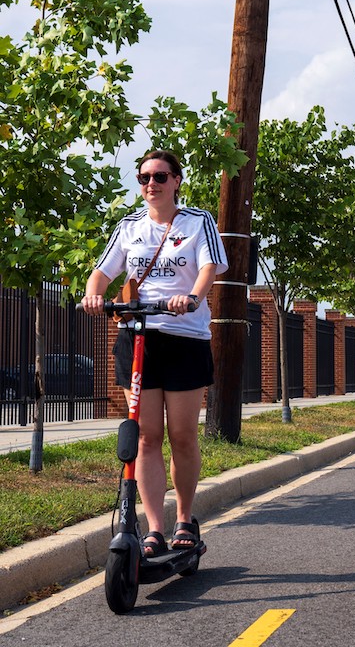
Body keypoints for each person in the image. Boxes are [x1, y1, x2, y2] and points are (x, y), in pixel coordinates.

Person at [81, 150, 227, 557]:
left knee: (181, 434)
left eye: (160, 176)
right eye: (144, 177)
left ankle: (184, 519)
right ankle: (154, 528)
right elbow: (103, 271)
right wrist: (94, 295)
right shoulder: (129, 226)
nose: (151, 184)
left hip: (184, 337)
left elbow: (208, 269)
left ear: (177, 180)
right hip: (138, 336)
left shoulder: (198, 222)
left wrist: (193, 299)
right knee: (146, 437)